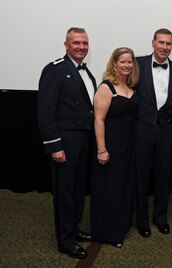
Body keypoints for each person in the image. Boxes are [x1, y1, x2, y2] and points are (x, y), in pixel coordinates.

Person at [37, 27, 96, 259]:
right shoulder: (55, 70)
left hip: (84, 141)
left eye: (84, 43)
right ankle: (65, 240)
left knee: (78, 189)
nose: (81, 47)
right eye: (76, 43)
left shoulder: (86, 72)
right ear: (66, 45)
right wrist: (55, 145)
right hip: (66, 142)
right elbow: (45, 111)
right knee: (64, 192)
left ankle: (74, 228)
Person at [134, 28, 172, 237]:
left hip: (167, 129)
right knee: (141, 177)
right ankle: (142, 221)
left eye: (168, 44)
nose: (165, 47)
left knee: (164, 176)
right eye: (161, 43)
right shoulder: (137, 64)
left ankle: (160, 218)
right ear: (153, 43)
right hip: (142, 128)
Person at [91, 47, 140, 248]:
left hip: (129, 146)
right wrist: (102, 149)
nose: (127, 65)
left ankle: (121, 226)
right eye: (122, 62)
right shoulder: (106, 87)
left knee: (123, 186)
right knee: (109, 188)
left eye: (130, 62)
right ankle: (107, 232)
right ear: (114, 63)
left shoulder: (131, 86)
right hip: (111, 145)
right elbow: (98, 120)